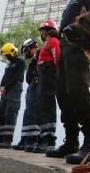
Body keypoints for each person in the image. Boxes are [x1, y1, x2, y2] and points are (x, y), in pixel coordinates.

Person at [46, 0, 90, 164]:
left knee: (78, 91)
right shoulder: (72, 1)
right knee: (63, 93)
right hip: (64, 48)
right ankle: (71, 142)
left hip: (79, 47)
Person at [0, 43, 26, 148]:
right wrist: (2, 87)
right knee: (2, 115)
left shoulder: (20, 62)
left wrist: (6, 87)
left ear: (12, 53)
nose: (7, 57)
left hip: (14, 90)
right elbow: (5, 77)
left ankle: (7, 140)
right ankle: (0, 139)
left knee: (10, 114)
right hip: (5, 91)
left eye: (7, 55)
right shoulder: (8, 65)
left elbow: (16, 77)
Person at [32, 19, 60, 153]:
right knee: (42, 105)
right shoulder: (46, 44)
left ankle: (49, 140)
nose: (42, 33)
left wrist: (58, 74)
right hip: (43, 76)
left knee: (48, 104)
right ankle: (43, 136)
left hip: (49, 75)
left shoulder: (53, 41)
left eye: (44, 30)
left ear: (49, 30)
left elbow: (57, 58)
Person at [12, 38, 41, 151]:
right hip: (32, 87)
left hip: (37, 86)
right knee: (28, 113)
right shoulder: (34, 58)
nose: (25, 53)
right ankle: (25, 139)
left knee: (33, 113)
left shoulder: (40, 54)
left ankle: (32, 140)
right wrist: (29, 89)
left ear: (30, 47)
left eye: (26, 50)